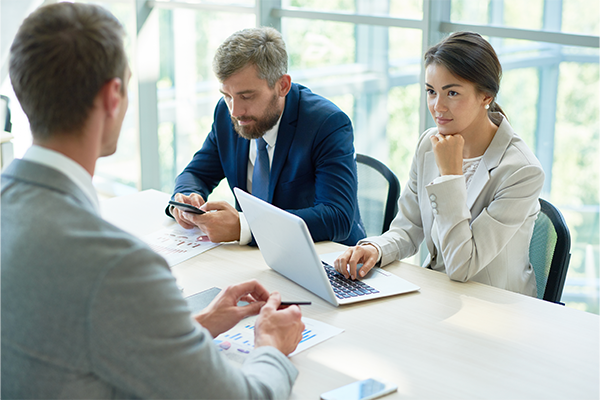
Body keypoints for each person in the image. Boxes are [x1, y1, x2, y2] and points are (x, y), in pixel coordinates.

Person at [1, 3, 304, 399]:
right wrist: (272, 347)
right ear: (113, 97)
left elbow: (70, 336)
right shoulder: (118, 266)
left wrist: (193, 327)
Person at [334, 32, 544, 296]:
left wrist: (450, 176)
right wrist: (375, 249)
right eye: (431, 91)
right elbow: (408, 229)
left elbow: (462, 266)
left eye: (452, 93)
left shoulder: (522, 171)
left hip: (491, 306)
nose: (437, 106)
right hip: (439, 293)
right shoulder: (428, 143)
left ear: (486, 96)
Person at [168, 27, 365, 246]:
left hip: (328, 258)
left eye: (247, 96)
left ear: (283, 86)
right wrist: (186, 198)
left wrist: (246, 226)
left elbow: (337, 217)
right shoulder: (227, 114)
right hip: (258, 256)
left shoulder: (326, 124)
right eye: (227, 96)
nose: (235, 111)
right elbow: (196, 173)